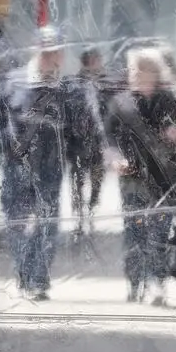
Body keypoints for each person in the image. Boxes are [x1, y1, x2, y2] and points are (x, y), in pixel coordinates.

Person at [0, 26, 85, 300]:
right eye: (46, 51)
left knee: (47, 223)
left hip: (51, 168)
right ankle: (24, 272)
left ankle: (39, 278)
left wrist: (75, 157)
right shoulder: (13, 82)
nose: (50, 57)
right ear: (36, 50)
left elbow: (77, 129)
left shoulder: (68, 90)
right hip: (16, 166)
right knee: (16, 222)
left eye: (55, 52)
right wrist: (6, 148)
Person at [105, 54, 176, 305]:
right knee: (134, 231)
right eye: (133, 71)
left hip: (164, 179)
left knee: (160, 232)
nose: (136, 75)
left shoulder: (171, 101)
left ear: (155, 74)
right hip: (131, 177)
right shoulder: (120, 103)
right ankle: (134, 282)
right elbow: (108, 137)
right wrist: (115, 158)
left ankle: (157, 282)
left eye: (142, 71)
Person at [69, 48, 108, 239]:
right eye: (97, 59)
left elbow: (110, 111)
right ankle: (78, 218)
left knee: (97, 181)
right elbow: (70, 112)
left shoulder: (105, 83)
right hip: (79, 142)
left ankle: (91, 210)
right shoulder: (75, 83)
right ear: (89, 61)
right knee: (77, 182)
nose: (100, 62)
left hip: (99, 142)